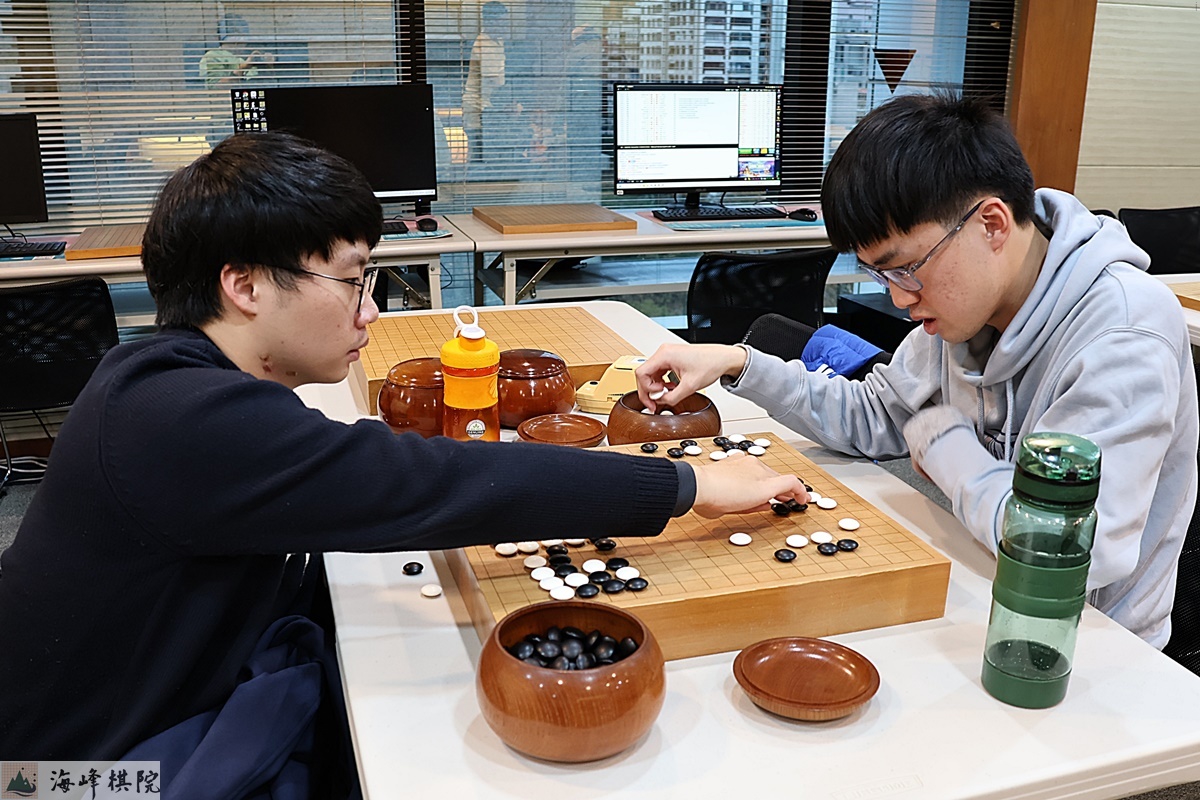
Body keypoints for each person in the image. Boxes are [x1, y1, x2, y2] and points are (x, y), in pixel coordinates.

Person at [0, 132, 806, 787]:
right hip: (76, 777)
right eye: (353, 281)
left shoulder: (156, 379)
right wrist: (692, 482)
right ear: (245, 286)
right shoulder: (184, 421)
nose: (372, 311)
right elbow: (432, 482)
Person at [635, 93, 1198, 650]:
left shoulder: (1124, 333)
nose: (900, 299)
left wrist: (949, 449)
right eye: (882, 276)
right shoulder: (969, 306)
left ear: (992, 224)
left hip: (1086, 645)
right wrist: (738, 361)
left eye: (905, 268)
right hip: (976, 580)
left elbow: (1072, 550)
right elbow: (875, 414)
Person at [462, 1, 509, 163]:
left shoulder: (498, 41)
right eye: (502, 22)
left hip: (488, 106)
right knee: (478, 155)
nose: (505, 27)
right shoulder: (485, 46)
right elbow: (495, 82)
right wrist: (512, 102)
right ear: (489, 22)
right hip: (478, 107)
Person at [199, 14, 274, 88]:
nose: (243, 39)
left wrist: (268, 67)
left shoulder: (246, 57)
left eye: (245, 35)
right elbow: (215, 89)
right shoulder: (213, 56)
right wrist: (243, 68)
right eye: (239, 34)